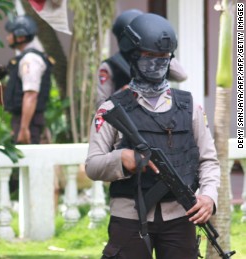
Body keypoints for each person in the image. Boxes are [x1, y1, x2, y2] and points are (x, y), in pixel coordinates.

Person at [85, 13, 220, 259]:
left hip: (181, 216)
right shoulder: (111, 109)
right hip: (129, 218)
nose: (157, 65)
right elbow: (92, 165)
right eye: (149, 58)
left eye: (163, 59)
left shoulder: (189, 107)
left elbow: (209, 160)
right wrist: (122, 159)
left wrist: (209, 196)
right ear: (133, 58)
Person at [96, 9, 188, 109]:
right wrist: (123, 93)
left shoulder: (157, 59)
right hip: (127, 117)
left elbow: (182, 75)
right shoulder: (110, 66)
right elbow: (101, 105)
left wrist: (162, 54)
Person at [3, 15, 54, 144]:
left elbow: (31, 95)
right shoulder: (26, 57)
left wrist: (24, 128)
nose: (7, 37)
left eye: (10, 34)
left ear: (20, 37)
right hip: (25, 119)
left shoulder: (30, 59)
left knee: (30, 160)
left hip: (29, 122)